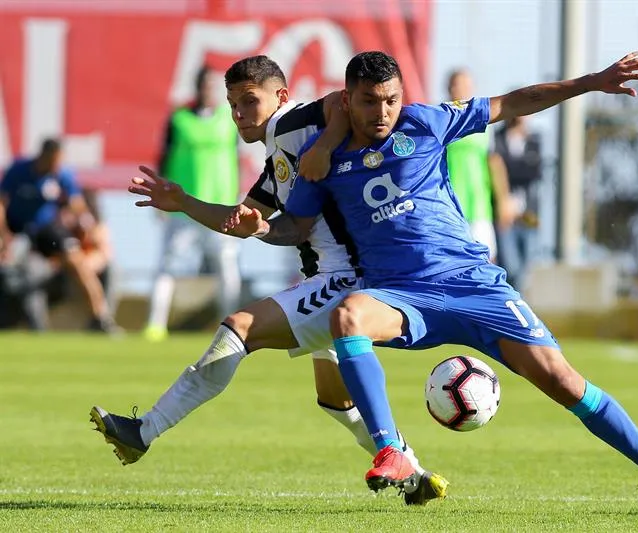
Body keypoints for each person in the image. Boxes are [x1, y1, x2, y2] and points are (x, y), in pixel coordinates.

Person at [226, 51, 638, 518]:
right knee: (348, 315)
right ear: (347, 100)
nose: (383, 112)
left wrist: (591, 82)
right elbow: (296, 227)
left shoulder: (425, 122)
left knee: (564, 382)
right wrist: (259, 227)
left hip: (474, 285)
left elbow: (515, 102)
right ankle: (390, 450)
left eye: (392, 99)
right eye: (370, 102)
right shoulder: (322, 160)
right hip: (400, 295)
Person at [89, 55, 447, 506]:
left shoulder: (292, 121)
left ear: (280, 96)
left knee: (239, 327)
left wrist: (323, 147)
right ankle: (415, 477)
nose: (239, 114)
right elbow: (246, 218)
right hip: (332, 277)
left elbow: (338, 104)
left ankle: (143, 431)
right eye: (233, 104)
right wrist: (184, 202)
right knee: (335, 400)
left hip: (346, 277)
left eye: (249, 101)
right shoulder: (280, 148)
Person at [143, 66, 242, 342]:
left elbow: (236, 161)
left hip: (221, 209)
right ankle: (155, 325)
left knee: (227, 269)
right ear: (197, 87)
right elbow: (163, 160)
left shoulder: (229, 119)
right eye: (205, 85)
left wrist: (238, 199)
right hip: (183, 210)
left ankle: (232, 327)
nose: (208, 90)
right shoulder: (179, 119)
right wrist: (161, 200)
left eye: (213, 86)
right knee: (166, 267)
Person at [0, 138, 120, 333]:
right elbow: (1, 203)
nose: (56, 166)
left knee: (77, 261)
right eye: (53, 161)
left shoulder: (62, 174)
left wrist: (80, 220)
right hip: (16, 228)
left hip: (45, 229)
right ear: (43, 156)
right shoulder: (18, 170)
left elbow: (77, 204)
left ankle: (99, 317)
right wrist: (4, 236)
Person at [444, 69, 513, 262]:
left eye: (467, 85)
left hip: (479, 204)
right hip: (449, 204)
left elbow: (494, 161)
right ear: (449, 88)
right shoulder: (441, 120)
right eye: (458, 85)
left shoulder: (483, 122)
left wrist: (503, 200)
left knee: (486, 259)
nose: (462, 89)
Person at [493, 116, 543, 289]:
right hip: (505, 216)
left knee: (525, 268)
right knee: (510, 266)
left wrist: (504, 167)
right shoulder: (497, 138)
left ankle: (517, 301)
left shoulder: (534, 140)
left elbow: (534, 172)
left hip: (528, 215)